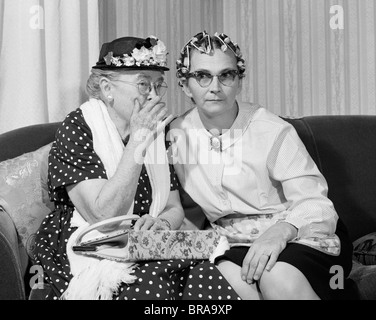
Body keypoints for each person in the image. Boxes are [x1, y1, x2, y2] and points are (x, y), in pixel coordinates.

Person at [34, 35, 240, 300]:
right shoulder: (77, 128)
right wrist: (138, 139)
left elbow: (173, 207)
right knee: (150, 286)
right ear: (108, 88)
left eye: (158, 85)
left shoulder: (156, 130)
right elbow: (104, 215)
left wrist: (161, 223)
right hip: (92, 244)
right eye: (143, 84)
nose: (154, 95)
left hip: (148, 246)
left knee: (208, 279)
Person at [169, 30, 356, 300]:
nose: (215, 87)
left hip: (300, 233)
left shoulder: (272, 130)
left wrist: (280, 232)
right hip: (233, 241)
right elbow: (179, 208)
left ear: (239, 81)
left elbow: (316, 204)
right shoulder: (175, 135)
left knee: (277, 277)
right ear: (185, 85)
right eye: (202, 75)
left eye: (226, 75)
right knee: (230, 281)